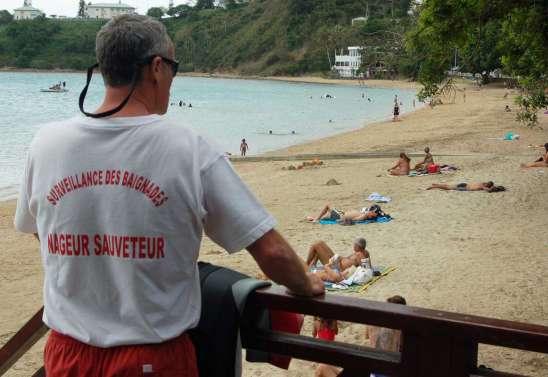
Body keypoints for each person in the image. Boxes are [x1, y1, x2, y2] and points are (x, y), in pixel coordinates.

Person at [14, 15, 324, 376]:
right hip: (152, 359)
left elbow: (41, 230)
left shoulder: (45, 144)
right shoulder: (189, 149)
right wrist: (306, 283)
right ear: (157, 68)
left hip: (66, 355)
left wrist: (98, 255)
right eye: (174, 69)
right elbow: (269, 250)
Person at [366, 296, 406, 377]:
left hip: (373, 362)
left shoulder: (372, 321)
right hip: (389, 365)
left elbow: (367, 336)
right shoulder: (399, 326)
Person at [306, 238, 371, 271]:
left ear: (357, 247)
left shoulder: (359, 255)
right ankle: (312, 265)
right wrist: (341, 258)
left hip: (336, 268)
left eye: (354, 245)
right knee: (320, 243)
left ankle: (305, 266)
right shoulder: (365, 252)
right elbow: (368, 266)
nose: (353, 246)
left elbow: (366, 269)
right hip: (336, 262)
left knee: (316, 245)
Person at [306, 204, 383, 223]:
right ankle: (314, 218)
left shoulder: (365, 216)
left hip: (340, 216)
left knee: (328, 206)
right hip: (341, 214)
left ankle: (316, 219)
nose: (370, 210)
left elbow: (355, 220)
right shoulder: (366, 214)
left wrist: (343, 220)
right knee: (326, 216)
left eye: (372, 211)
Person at [426, 181, 504, 192]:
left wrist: (494, 186)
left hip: (465, 184)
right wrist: (495, 189)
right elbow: (489, 191)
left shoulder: (483, 183)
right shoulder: (483, 187)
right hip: (464, 188)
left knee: (448, 186)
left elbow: (489, 186)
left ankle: (436, 185)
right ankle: (434, 187)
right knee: (448, 187)